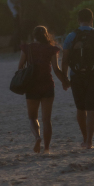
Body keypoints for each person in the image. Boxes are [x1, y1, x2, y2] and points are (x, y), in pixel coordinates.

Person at [61, 8, 94, 149]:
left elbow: (65, 60)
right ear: (92, 20)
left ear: (78, 20)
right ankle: (89, 141)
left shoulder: (71, 36)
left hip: (76, 75)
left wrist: (65, 79)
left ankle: (84, 138)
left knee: (80, 108)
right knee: (92, 109)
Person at [17, 26, 69, 154]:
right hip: (47, 85)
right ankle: (46, 149)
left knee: (32, 117)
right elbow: (56, 69)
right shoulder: (51, 49)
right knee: (46, 120)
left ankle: (37, 137)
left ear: (33, 36)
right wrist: (65, 81)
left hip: (31, 86)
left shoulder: (27, 48)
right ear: (46, 35)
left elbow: (20, 67)